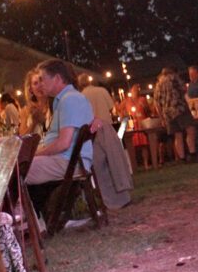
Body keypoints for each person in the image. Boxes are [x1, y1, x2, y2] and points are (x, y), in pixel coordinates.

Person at [25, 59, 94, 216]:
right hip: (68, 159)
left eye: (42, 79)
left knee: (15, 170)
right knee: (20, 167)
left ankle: (29, 222)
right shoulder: (65, 99)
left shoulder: (69, 100)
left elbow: (63, 143)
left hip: (69, 161)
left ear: (57, 78)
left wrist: (34, 154)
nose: (40, 84)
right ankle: (39, 219)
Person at [79, 75, 133, 209]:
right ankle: (123, 195)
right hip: (107, 128)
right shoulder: (101, 91)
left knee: (101, 169)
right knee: (116, 164)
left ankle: (110, 200)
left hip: (93, 133)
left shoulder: (81, 96)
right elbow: (111, 108)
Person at [154, 66, 197, 162]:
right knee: (190, 129)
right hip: (179, 108)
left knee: (177, 135)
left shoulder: (158, 84)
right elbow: (184, 89)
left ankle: (182, 158)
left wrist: (162, 118)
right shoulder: (174, 77)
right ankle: (192, 153)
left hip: (167, 113)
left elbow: (156, 102)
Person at [20, 69, 49, 136]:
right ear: (31, 89)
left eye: (41, 81)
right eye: (35, 83)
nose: (40, 86)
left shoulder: (54, 105)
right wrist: (34, 123)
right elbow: (22, 137)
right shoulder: (25, 111)